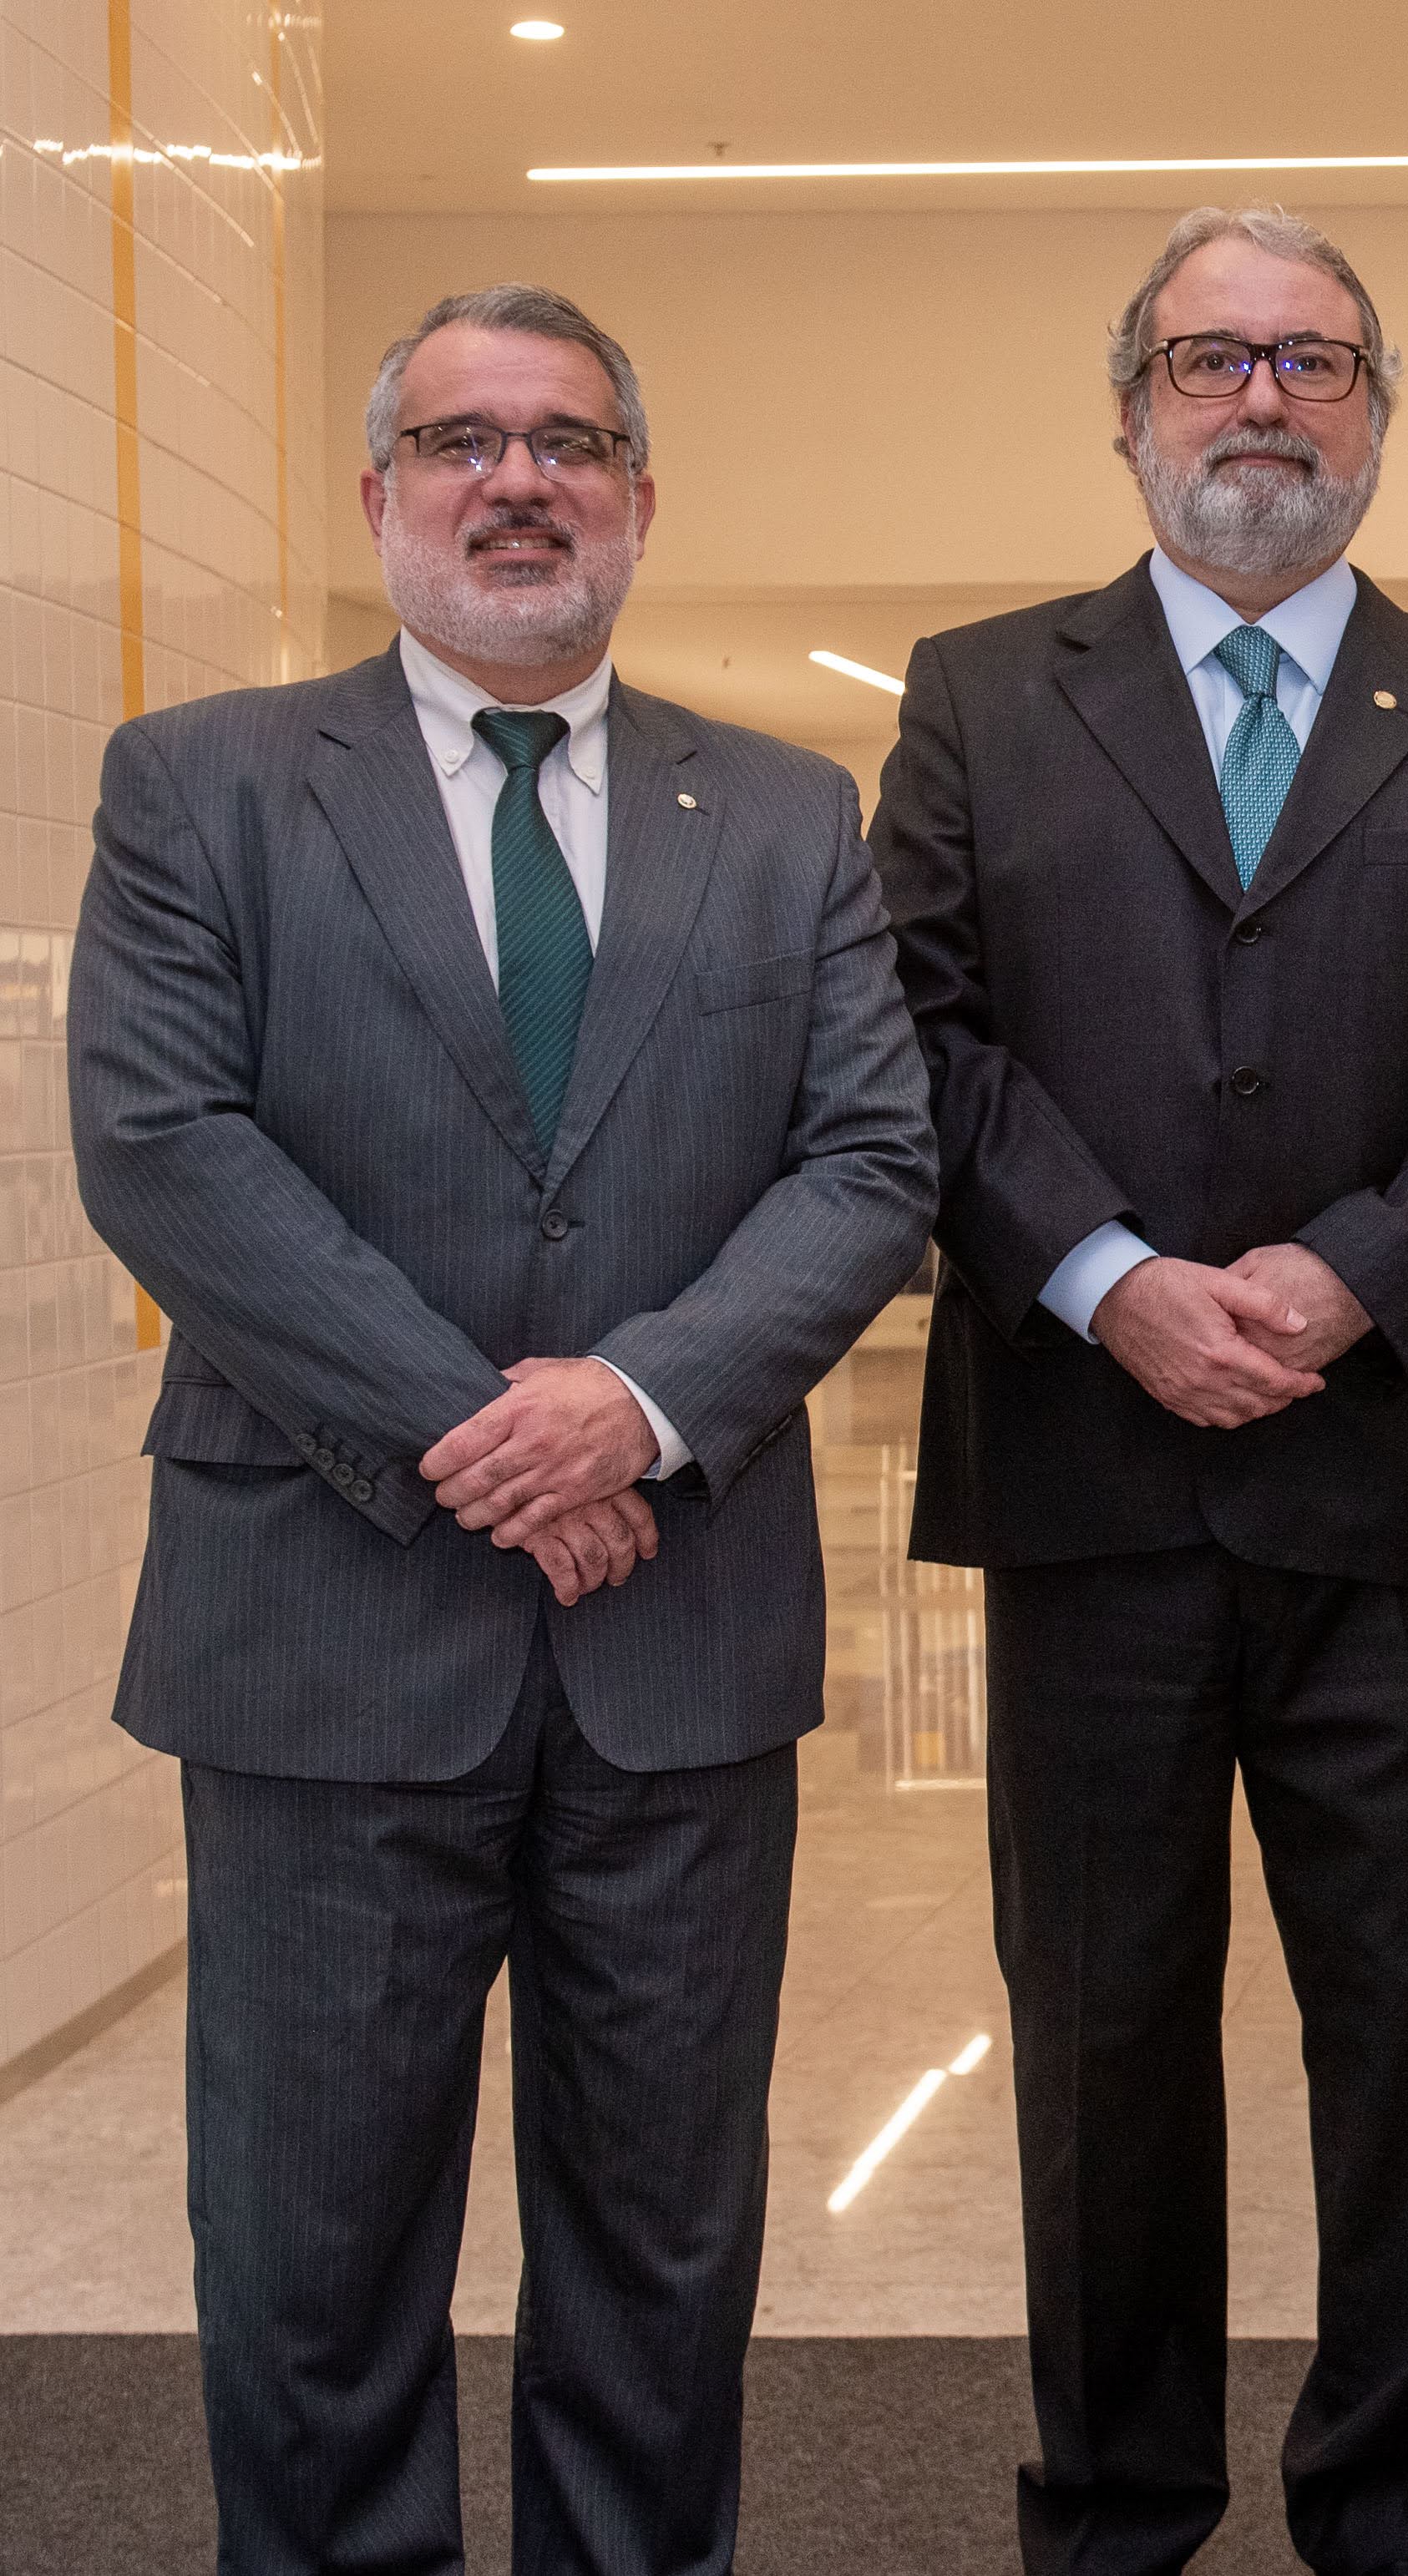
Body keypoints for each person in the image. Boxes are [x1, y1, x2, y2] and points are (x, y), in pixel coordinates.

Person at [68, 283, 936, 2574]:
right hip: (321, 1629)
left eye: (567, 440)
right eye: (460, 439)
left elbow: (868, 1158)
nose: (515, 479)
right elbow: (163, 1144)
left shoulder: (779, 811)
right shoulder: (205, 784)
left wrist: (639, 1405)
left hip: (677, 1647)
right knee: (313, 2264)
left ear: (640, 502)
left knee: (659, 2260)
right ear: (379, 500)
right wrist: (488, 1429)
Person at [872, 206, 1408, 2576]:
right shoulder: (984, 692)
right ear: (1131, 409)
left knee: (1407, 2028)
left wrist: (1335, 1274)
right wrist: (1105, 1278)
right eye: (1213, 359)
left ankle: (1387, 2498)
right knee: (1098, 2036)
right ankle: (1112, 2501)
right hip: (1085, 1469)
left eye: (1314, 360)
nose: (1263, 400)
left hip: (1383, 1464)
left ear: (1378, 415)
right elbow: (919, 1031)